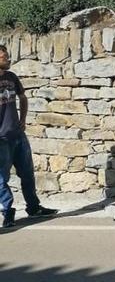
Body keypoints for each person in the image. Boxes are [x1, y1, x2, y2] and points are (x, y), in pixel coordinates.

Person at [0, 45, 58, 228]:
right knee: (1, 178)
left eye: (7, 56)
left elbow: (23, 97)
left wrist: (23, 119)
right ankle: (7, 211)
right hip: (1, 139)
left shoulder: (11, 77)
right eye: (4, 57)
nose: (8, 59)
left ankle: (33, 208)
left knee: (27, 174)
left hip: (17, 135)